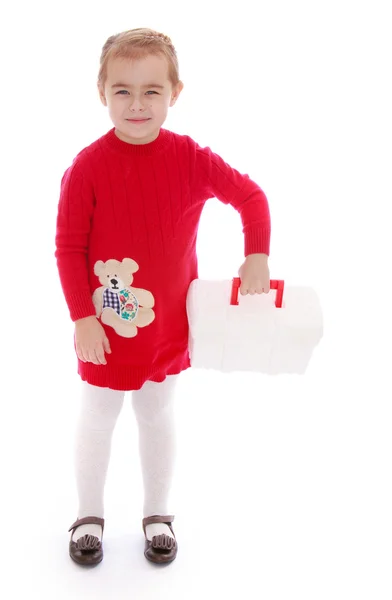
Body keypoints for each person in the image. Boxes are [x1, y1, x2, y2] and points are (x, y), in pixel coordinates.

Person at [55, 27, 271, 566]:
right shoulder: (87, 167)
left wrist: (257, 254)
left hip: (166, 327)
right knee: (98, 415)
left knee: (157, 413)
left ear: (175, 93)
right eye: (122, 90)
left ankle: (157, 512)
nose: (137, 104)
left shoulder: (191, 159)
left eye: (152, 90)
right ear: (101, 92)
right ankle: (88, 513)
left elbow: (251, 197)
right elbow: (67, 248)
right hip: (104, 327)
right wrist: (83, 317)